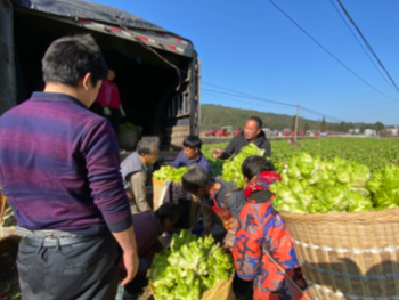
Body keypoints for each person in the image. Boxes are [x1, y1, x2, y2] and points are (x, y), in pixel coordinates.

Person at [0, 34, 139, 300]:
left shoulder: (5, 122)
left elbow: (6, 185)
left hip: (30, 252)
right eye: (97, 88)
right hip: (83, 257)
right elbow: (110, 198)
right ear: (86, 79)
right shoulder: (92, 126)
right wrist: (129, 249)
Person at [233, 155, 309, 300]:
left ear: (247, 180)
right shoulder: (296, 197)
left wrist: (243, 282)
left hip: (277, 286)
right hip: (307, 285)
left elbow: (247, 265)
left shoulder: (253, 209)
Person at [116, 202, 180, 300]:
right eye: (173, 223)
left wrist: (163, 252)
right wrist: (144, 263)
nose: (172, 227)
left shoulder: (150, 218)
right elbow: (121, 258)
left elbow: (152, 241)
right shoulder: (147, 229)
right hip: (119, 261)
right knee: (128, 292)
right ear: (167, 220)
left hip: (126, 256)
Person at [181, 167, 246, 252]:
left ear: (200, 190)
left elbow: (241, 223)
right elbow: (207, 210)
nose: (194, 196)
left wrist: (228, 242)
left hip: (243, 226)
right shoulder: (205, 191)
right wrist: (207, 234)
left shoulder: (232, 196)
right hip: (228, 222)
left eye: (193, 193)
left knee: (237, 249)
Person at [121, 138, 158, 213]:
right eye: (153, 153)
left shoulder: (135, 155)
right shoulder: (138, 174)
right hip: (124, 201)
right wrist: (151, 218)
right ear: (143, 154)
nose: (156, 155)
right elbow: (141, 202)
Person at [96, 67, 125, 135]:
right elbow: (100, 95)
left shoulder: (115, 85)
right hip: (106, 108)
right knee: (104, 127)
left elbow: (118, 98)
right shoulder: (102, 82)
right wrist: (105, 107)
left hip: (116, 109)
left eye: (113, 73)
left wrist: (121, 109)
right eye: (109, 73)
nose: (111, 75)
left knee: (115, 128)